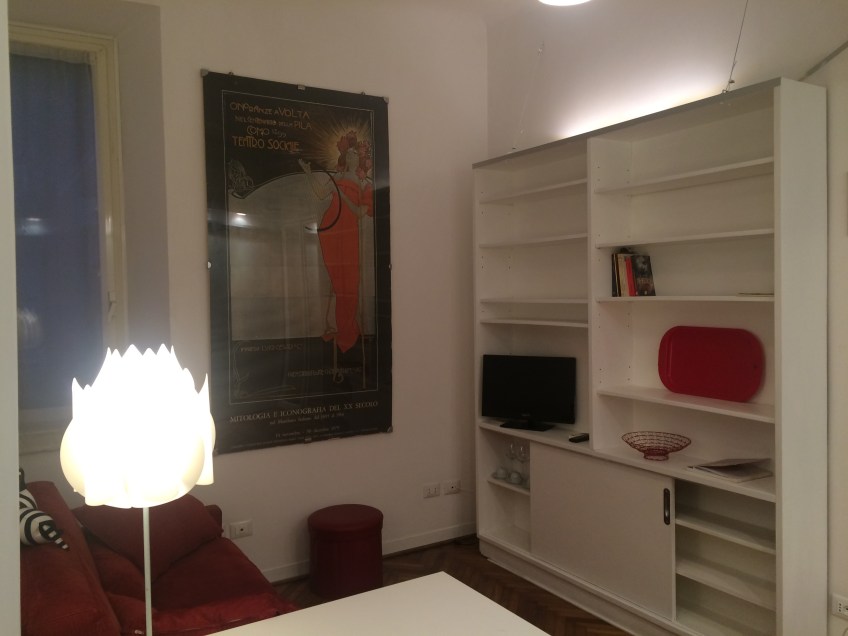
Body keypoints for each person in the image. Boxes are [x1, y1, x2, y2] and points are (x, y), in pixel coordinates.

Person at [299, 131, 374, 353]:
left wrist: (344, 198)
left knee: (349, 282)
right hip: (331, 229)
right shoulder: (338, 177)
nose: (351, 156)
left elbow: (360, 212)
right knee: (335, 279)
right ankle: (337, 328)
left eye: (354, 153)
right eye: (348, 153)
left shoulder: (364, 183)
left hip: (349, 232)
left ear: (360, 158)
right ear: (344, 156)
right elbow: (321, 193)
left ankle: (346, 330)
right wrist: (308, 173)